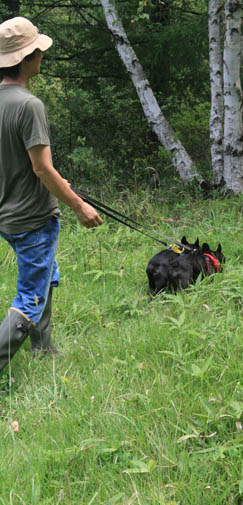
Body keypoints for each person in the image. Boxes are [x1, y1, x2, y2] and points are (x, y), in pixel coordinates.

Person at [0, 16, 102, 373]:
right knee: (30, 296)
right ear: (25, 59)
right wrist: (79, 206)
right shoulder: (29, 106)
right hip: (32, 219)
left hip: (7, 217)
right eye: (38, 50)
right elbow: (42, 168)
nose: (42, 54)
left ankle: (43, 350)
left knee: (47, 274)